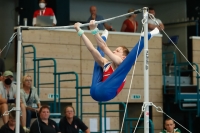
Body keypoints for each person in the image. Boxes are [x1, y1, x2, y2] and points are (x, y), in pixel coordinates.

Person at [74, 20, 159, 101]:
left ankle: (146, 37)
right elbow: (92, 49)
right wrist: (80, 31)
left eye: (118, 51)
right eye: (115, 50)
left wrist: (94, 30)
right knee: (97, 62)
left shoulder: (121, 62)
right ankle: (103, 37)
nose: (114, 51)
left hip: (107, 92)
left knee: (127, 62)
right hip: (94, 91)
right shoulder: (106, 63)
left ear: (123, 57)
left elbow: (104, 47)